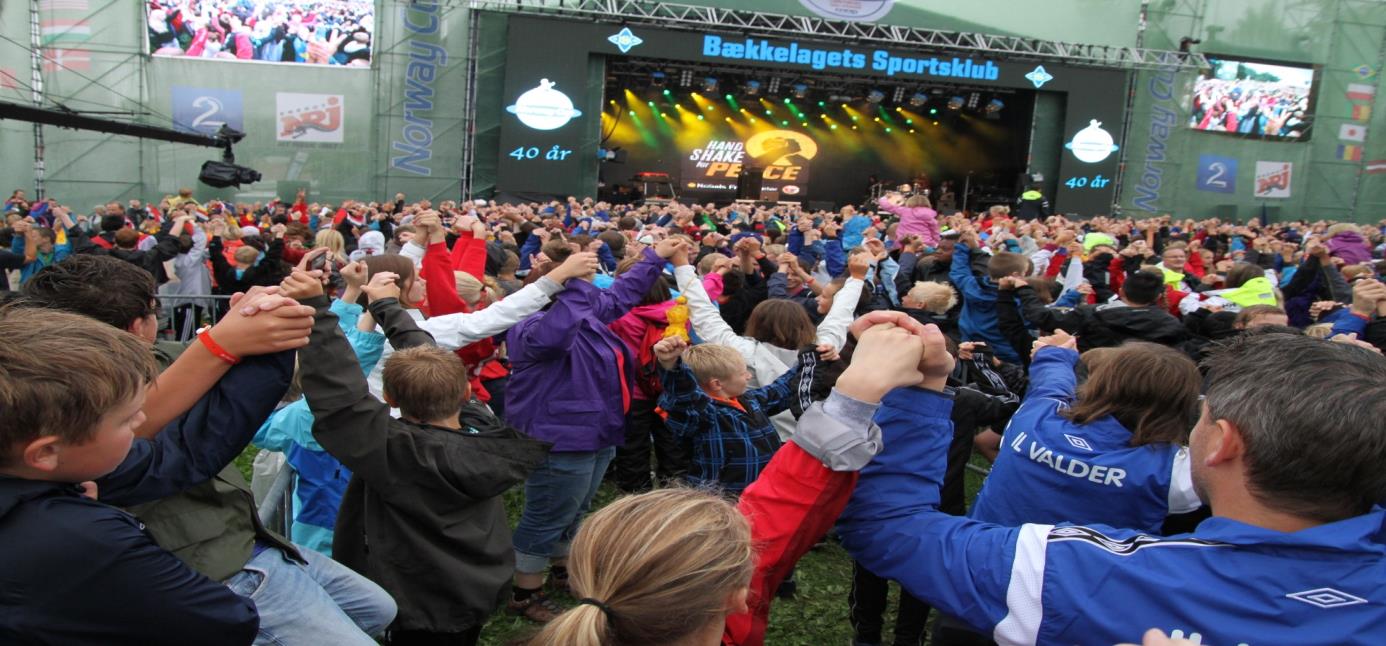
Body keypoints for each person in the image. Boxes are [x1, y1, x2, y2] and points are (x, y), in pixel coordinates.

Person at [839, 329, 1386, 645]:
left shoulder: (1078, 573)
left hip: (989, 578)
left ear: (1221, 444)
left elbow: (885, 528)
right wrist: (1359, 396)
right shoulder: (1163, 472)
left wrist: (926, 386)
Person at [283, 267, 549, 646]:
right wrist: (386, 306)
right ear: (462, 394)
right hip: (474, 588)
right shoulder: (487, 432)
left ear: (389, 400)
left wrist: (316, 306)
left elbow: (339, 397)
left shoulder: (395, 451)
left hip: (412, 601)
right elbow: (429, 356)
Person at [505, 236, 688, 622]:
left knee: (574, 509)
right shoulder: (531, 327)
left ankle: (560, 568)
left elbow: (621, 295)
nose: (592, 292)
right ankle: (525, 592)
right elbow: (559, 330)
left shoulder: (585, 315)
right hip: (561, 439)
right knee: (546, 514)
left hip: (595, 433)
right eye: (577, 287)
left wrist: (655, 257)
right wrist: (571, 280)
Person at [654, 340, 803, 495]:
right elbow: (684, 395)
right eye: (742, 373)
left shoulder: (747, 400)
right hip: (722, 502)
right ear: (717, 384)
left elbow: (781, 390)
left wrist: (812, 359)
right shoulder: (702, 415)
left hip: (759, 493)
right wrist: (671, 365)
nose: (748, 376)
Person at [1008, 271, 1188, 351]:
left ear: (1121, 291)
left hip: (1090, 381)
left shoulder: (1091, 313)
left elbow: (1041, 316)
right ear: (1158, 297)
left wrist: (1024, 289)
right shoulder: (1171, 324)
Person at [949, 227, 1027, 363]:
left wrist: (963, 247)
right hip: (1007, 356)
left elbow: (959, 271)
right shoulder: (1018, 298)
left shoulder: (970, 285)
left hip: (970, 349)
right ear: (1016, 275)